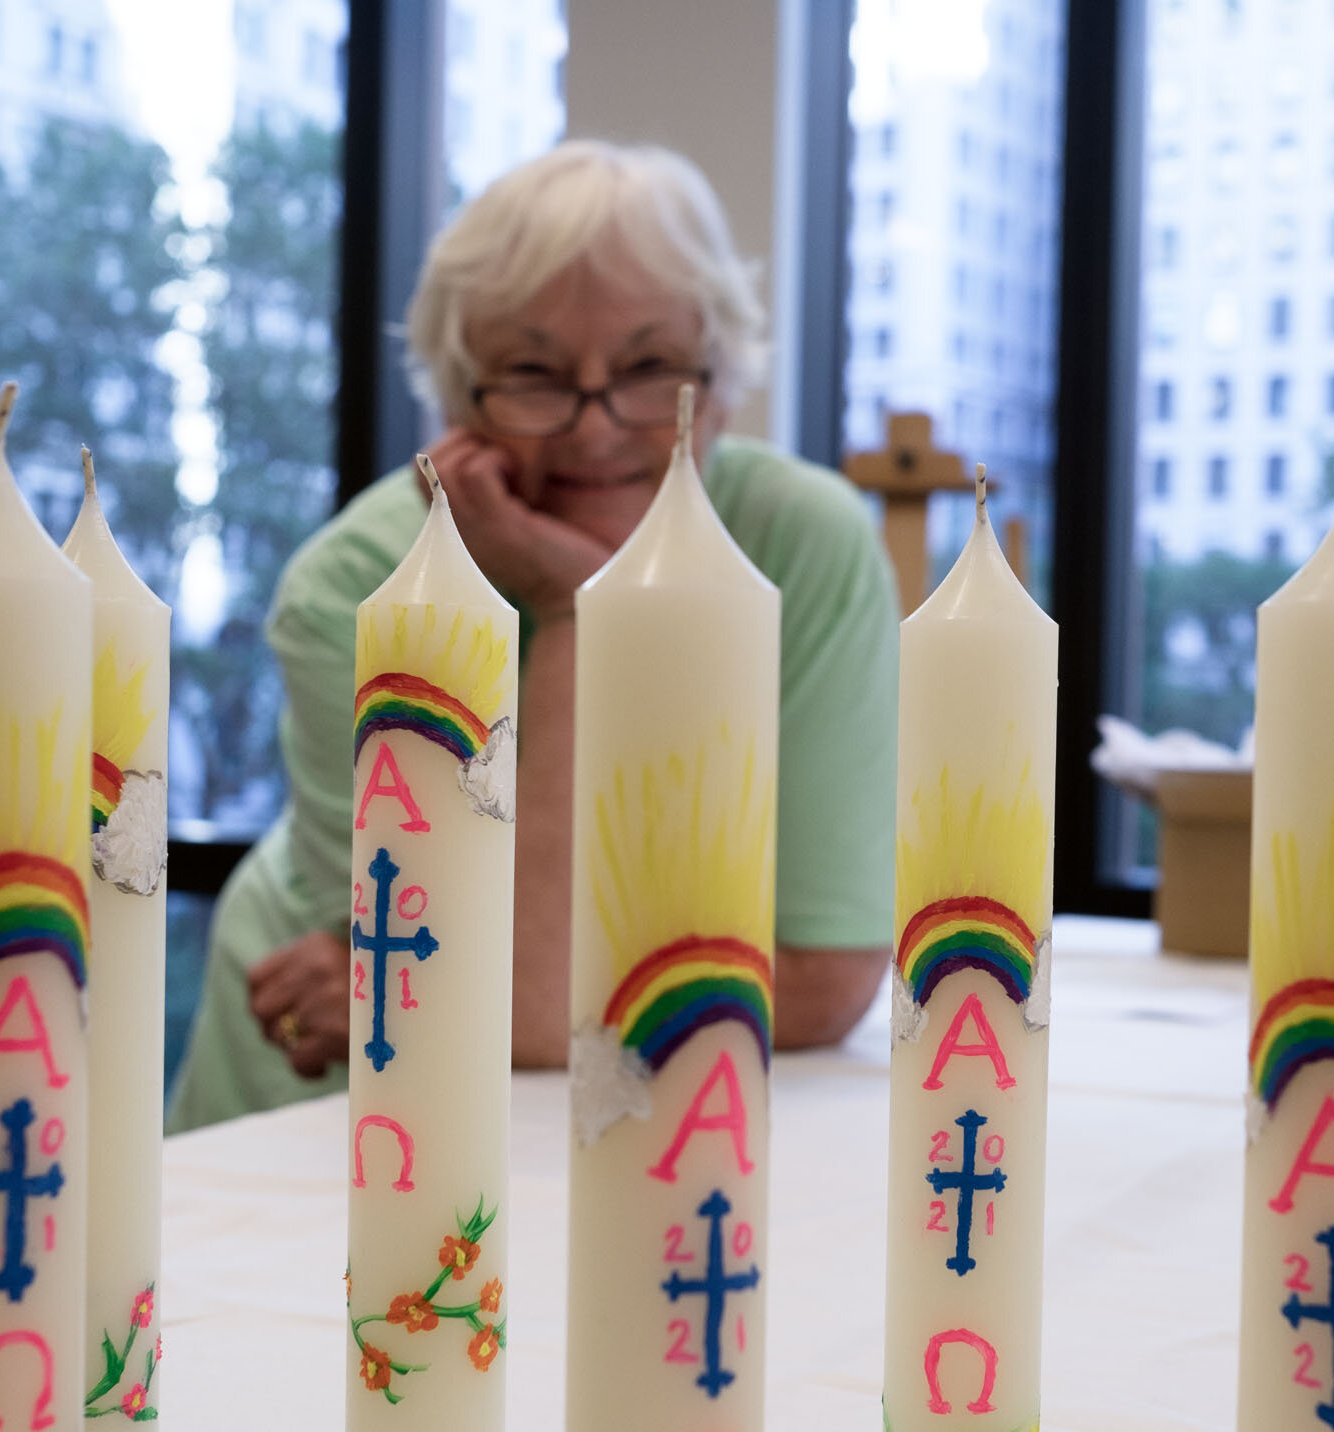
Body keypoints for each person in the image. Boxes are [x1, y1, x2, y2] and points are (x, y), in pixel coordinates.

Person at [167, 141, 898, 1131]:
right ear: (457, 405)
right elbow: (504, 1013)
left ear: (723, 381)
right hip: (336, 1120)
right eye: (533, 377)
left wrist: (476, 994)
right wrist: (573, 607)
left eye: (651, 370)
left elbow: (828, 974)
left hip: (659, 1125)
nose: (595, 430)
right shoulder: (356, 587)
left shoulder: (801, 545)